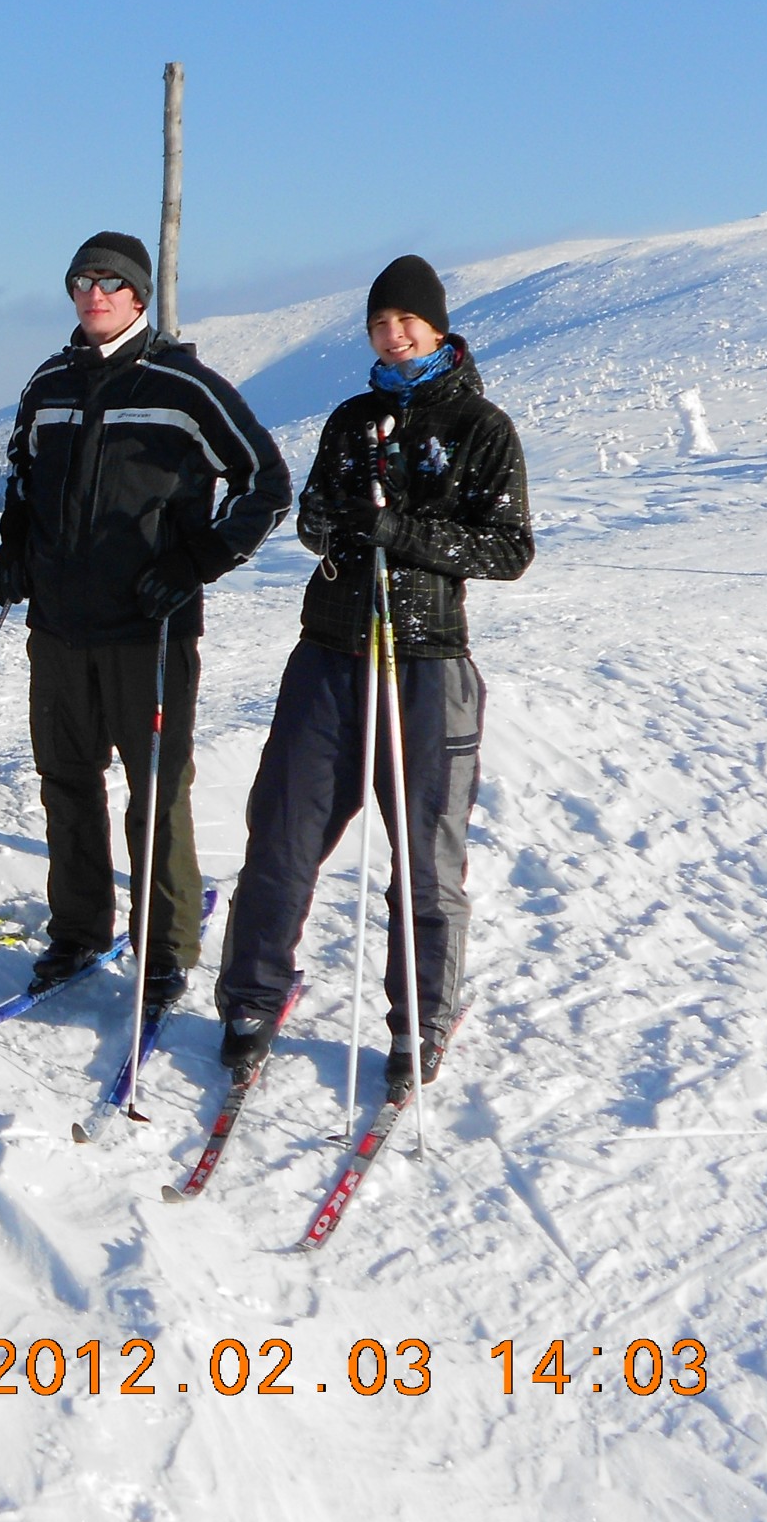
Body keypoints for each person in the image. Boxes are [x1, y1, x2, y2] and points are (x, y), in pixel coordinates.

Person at [214, 256, 533, 1090]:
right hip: (329, 650)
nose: (392, 338)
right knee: (281, 834)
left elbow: (508, 549)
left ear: (436, 327)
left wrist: (403, 533)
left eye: (405, 323)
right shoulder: (353, 419)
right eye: (378, 325)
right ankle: (251, 995)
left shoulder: (480, 426)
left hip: (425, 659)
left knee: (424, 856)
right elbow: (313, 519)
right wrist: (335, 521)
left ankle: (420, 1016)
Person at [0, 233, 289, 1015]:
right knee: (65, 782)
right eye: (82, 282)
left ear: (137, 296)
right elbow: (21, 478)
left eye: (109, 282)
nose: (93, 295)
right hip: (59, 627)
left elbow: (264, 482)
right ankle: (77, 929)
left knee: (154, 789)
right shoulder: (48, 383)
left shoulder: (182, 385)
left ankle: (162, 948)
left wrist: (198, 560)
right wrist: (15, 549)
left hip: (148, 627)